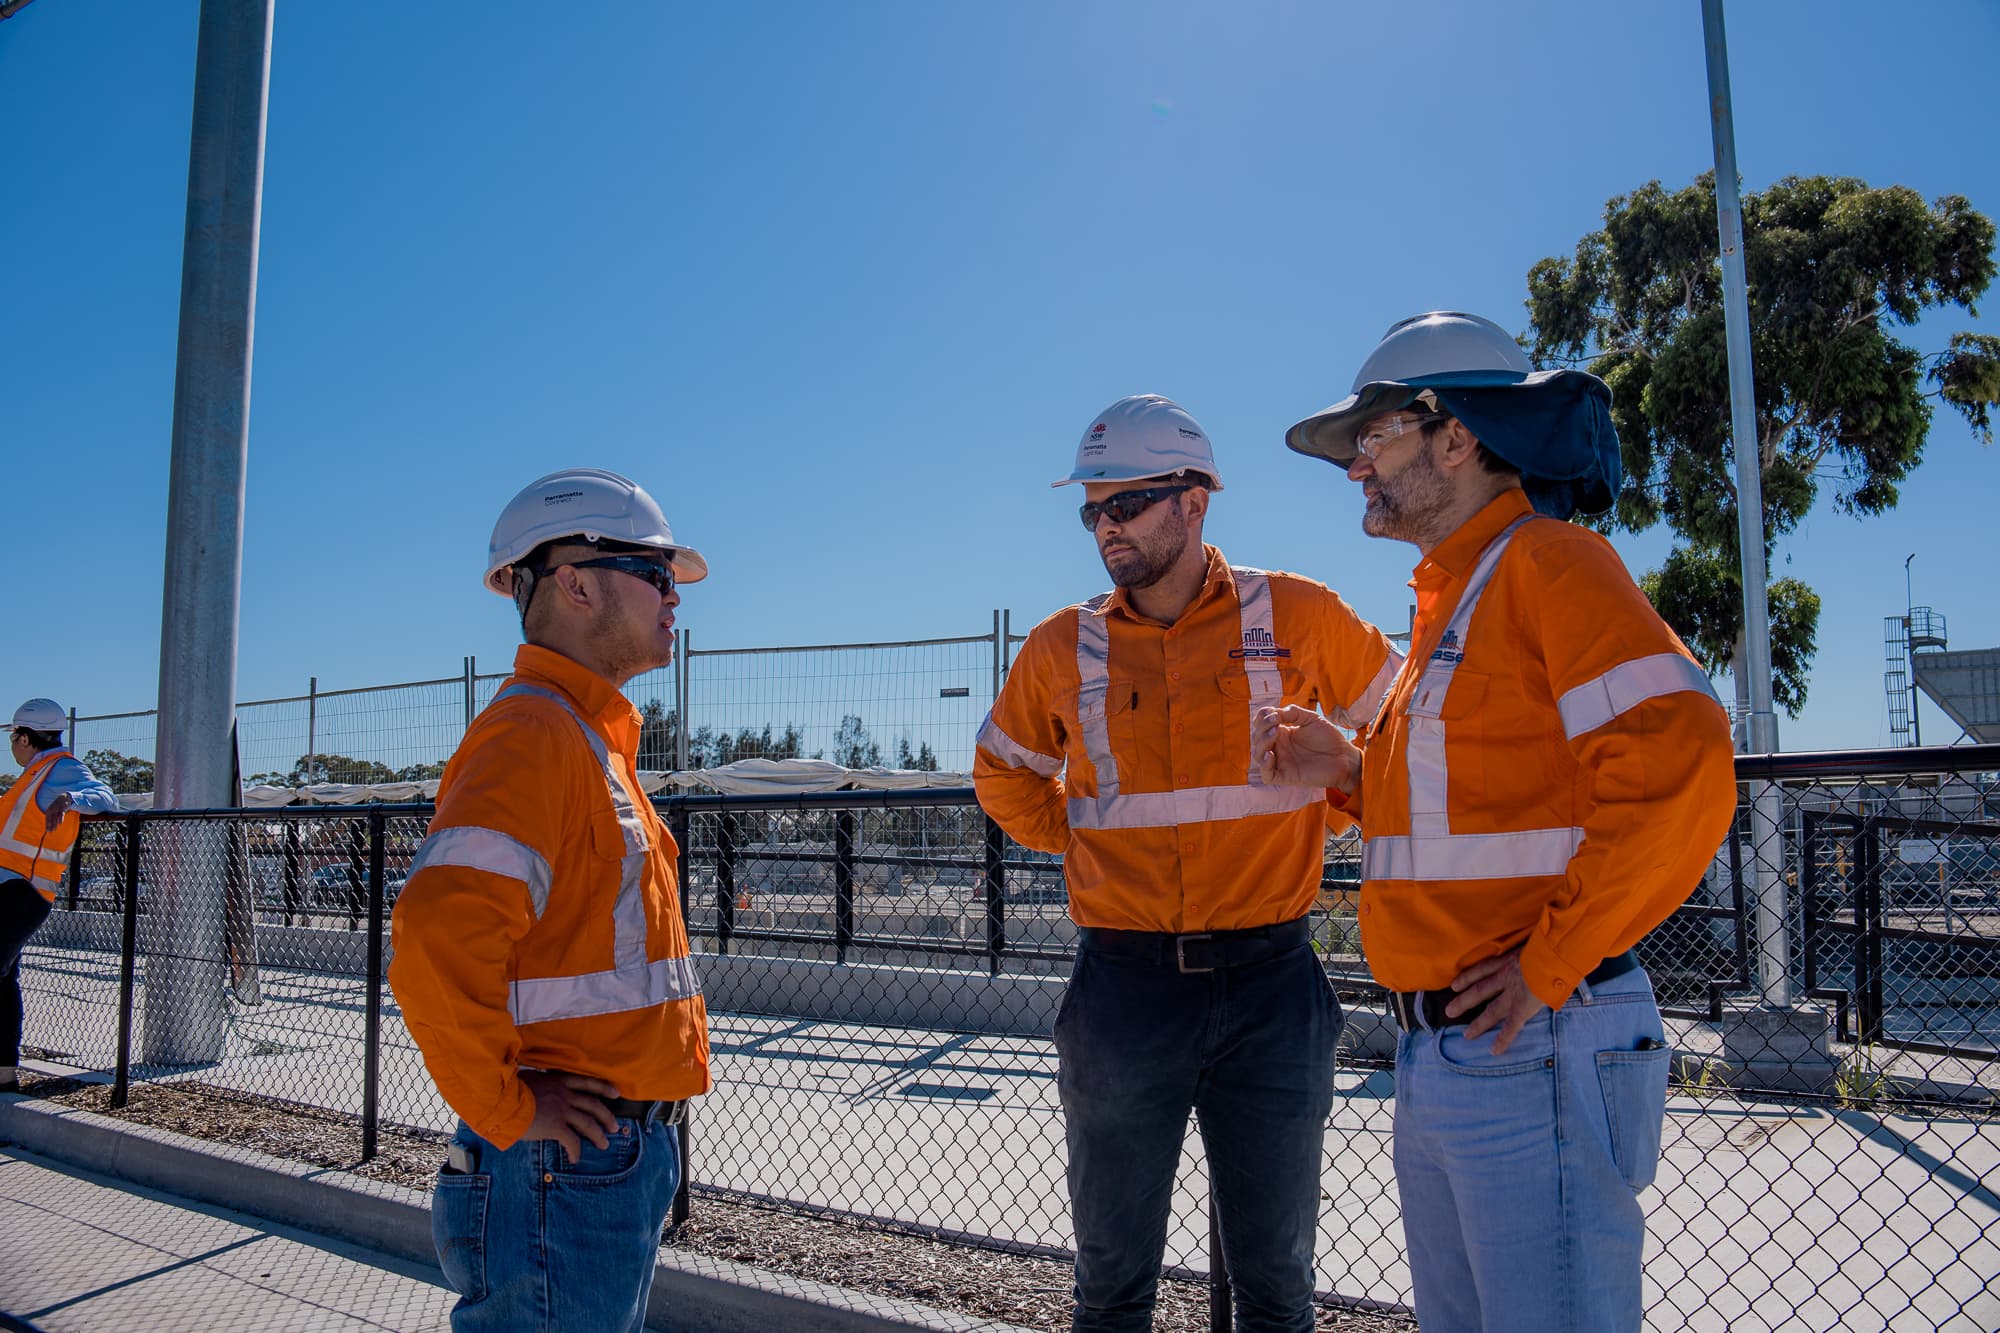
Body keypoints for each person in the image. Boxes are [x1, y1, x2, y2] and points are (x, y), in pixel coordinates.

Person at [1257, 312, 1738, 1333]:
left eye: (1374, 437)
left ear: (1458, 438)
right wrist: (1351, 771)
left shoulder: (1550, 564)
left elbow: (1681, 760)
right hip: (1456, 1048)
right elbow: (1474, 802)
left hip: (1534, 1036)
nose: (1357, 467)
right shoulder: (1459, 596)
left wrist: (1548, 963)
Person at [974, 395, 1401, 1333]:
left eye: (1125, 504)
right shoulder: (1060, 646)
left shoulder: (1299, 613)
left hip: (1272, 983)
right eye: (1093, 510)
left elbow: (1411, 736)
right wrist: (1084, 838)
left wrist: (1346, 780)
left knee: (1277, 1291)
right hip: (1122, 989)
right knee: (1111, 1290)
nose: (1106, 528)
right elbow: (1002, 774)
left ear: (1194, 500)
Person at [390, 467, 712, 1332]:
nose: (674, 595)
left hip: (593, 1161)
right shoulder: (534, 735)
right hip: (559, 1167)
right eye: (655, 573)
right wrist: (509, 1108)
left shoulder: (583, 737)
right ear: (574, 583)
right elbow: (435, 934)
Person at [1, 699, 121, 1092]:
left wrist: (71, 799)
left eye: (13, 738)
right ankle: (3, 1075)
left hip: (23, 891)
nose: (11, 746)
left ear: (24, 738)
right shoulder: (34, 774)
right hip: (11, 889)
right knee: (4, 979)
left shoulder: (62, 768)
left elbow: (105, 796)